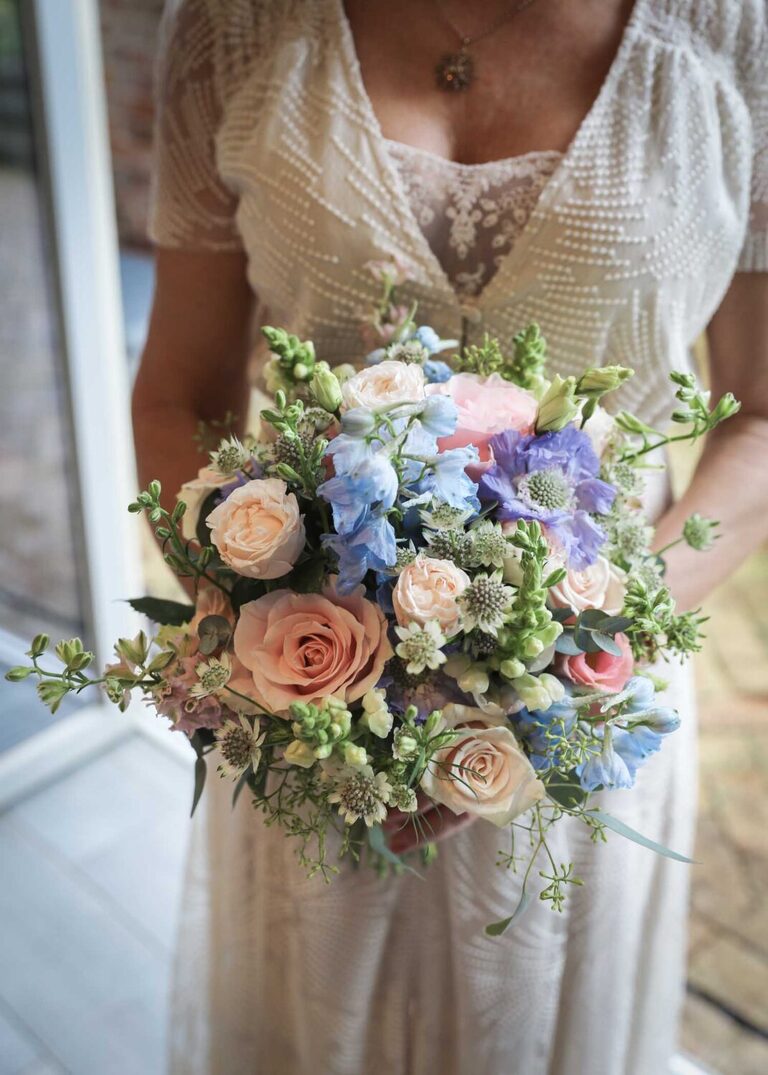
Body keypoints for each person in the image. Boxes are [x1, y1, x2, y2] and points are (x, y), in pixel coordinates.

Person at [132, 2, 768, 1072]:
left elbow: (759, 411)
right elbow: (180, 390)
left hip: (588, 700)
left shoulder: (737, 33)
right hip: (309, 704)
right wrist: (242, 614)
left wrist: (576, 653)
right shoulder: (234, 27)